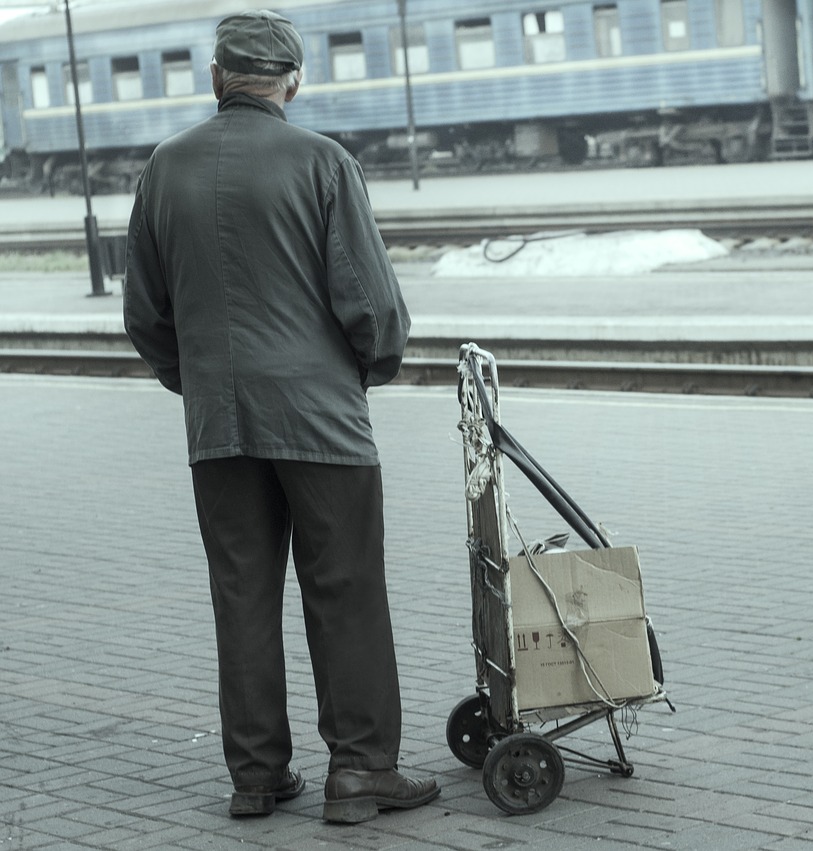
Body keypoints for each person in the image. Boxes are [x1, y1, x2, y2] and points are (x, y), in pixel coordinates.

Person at [123, 10, 437, 825]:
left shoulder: (164, 167)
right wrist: (363, 374)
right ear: (292, 82)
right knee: (347, 592)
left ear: (217, 75)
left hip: (217, 425)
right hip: (322, 421)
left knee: (243, 595)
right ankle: (362, 770)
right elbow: (372, 305)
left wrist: (193, 382)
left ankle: (257, 775)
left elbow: (144, 313)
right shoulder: (324, 162)